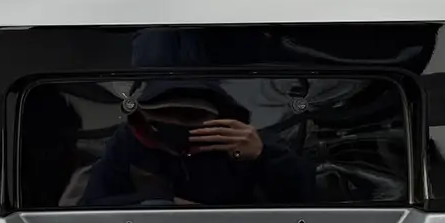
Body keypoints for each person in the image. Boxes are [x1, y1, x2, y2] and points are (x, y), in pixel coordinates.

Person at [79, 80, 317, 207]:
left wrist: (263, 156)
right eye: (165, 113)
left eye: (191, 116)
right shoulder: (131, 142)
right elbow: (92, 205)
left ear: (218, 117)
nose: (176, 123)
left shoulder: (244, 140)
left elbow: (306, 204)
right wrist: (160, 203)